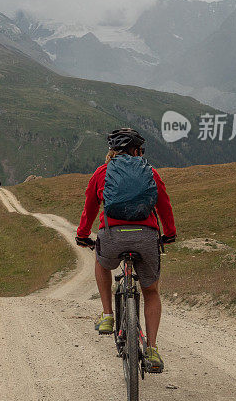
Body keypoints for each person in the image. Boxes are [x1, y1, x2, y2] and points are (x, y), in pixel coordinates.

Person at [75, 127, 176, 373]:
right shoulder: (150, 172)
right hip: (146, 238)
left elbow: (89, 207)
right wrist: (169, 233)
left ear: (112, 151)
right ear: (137, 151)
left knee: (101, 260)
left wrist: (82, 235)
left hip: (112, 237)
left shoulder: (102, 172)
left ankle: (108, 314)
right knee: (151, 292)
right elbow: (164, 205)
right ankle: (151, 349)